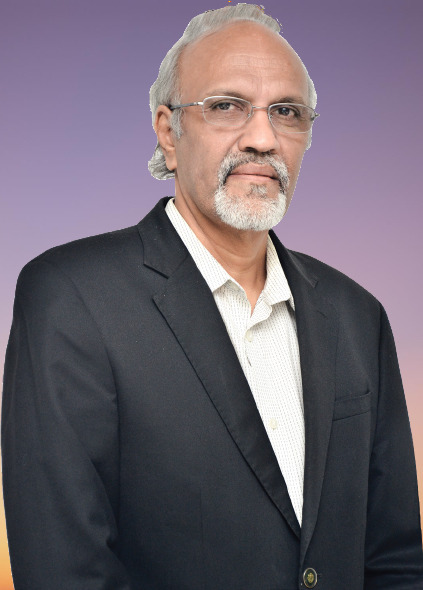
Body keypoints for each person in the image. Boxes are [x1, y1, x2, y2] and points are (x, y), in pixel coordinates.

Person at [2, 3, 422, 589]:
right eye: (227, 105)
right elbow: (65, 569)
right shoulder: (71, 298)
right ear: (167, 132)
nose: (263, 138)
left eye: (287, 112)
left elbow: (396, 560)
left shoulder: (359, 317)